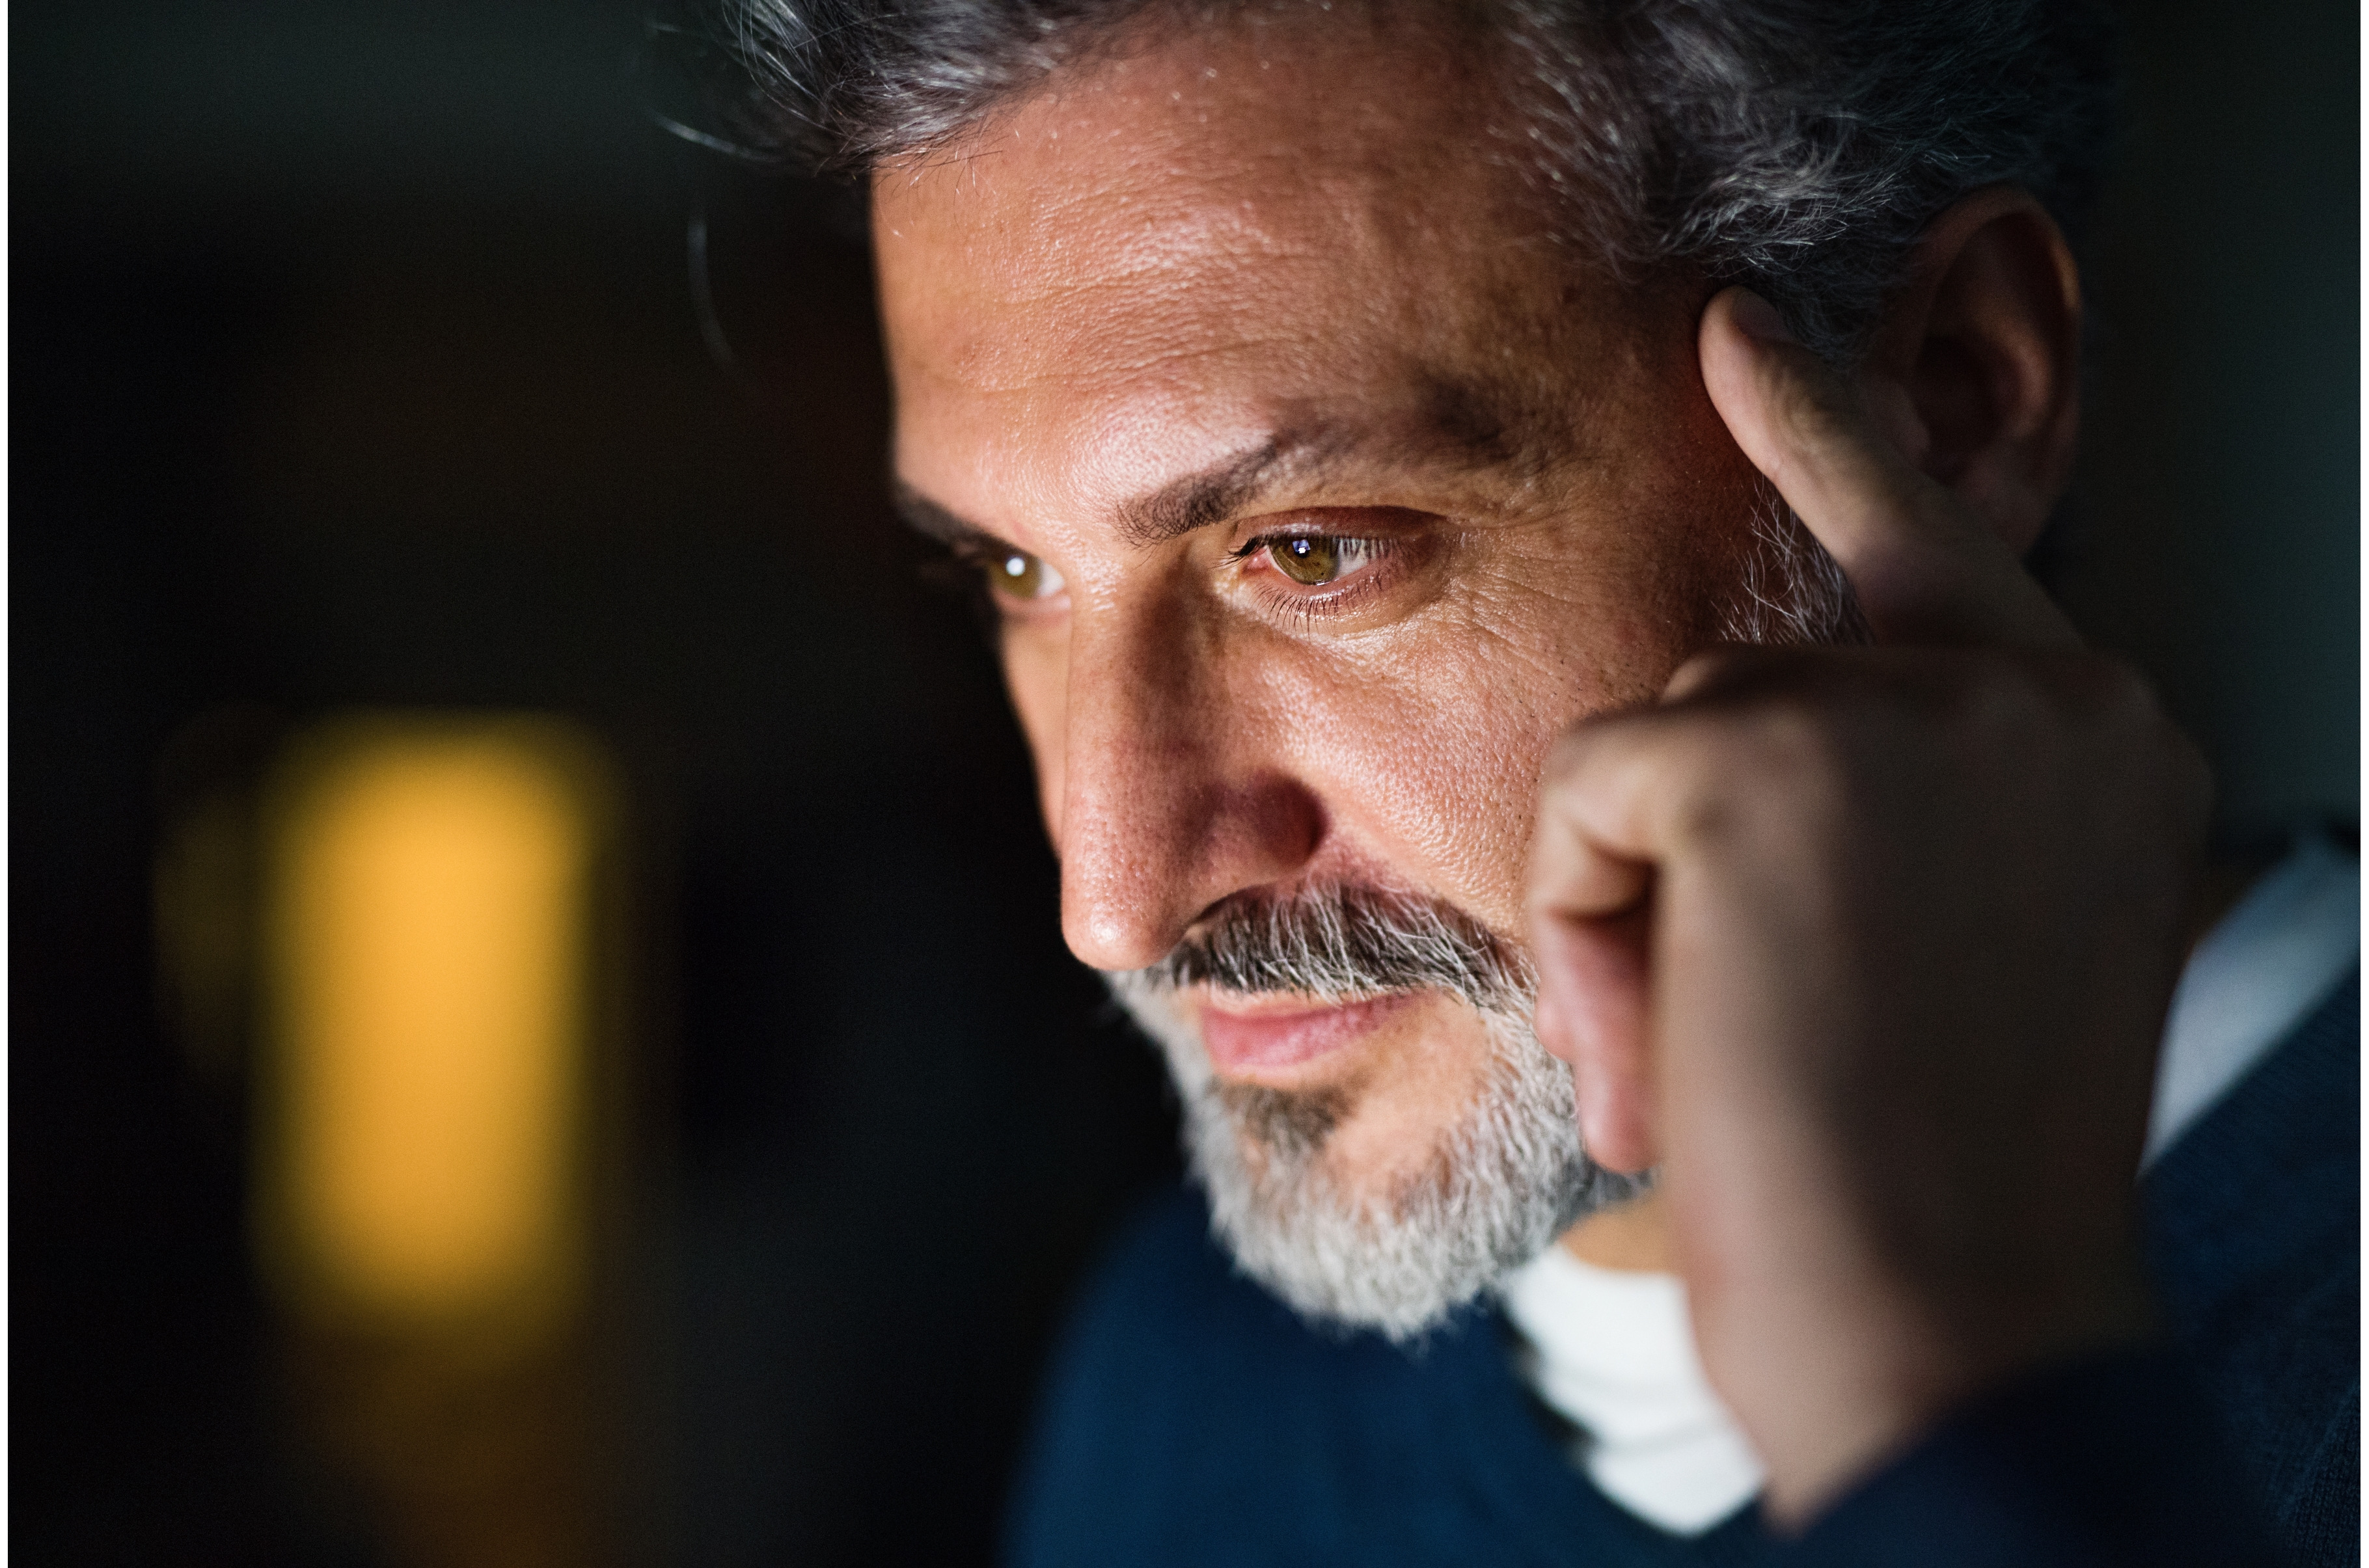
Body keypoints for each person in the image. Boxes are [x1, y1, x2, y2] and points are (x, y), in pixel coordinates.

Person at [699, 1, 2358, 1560]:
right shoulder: (1182, 1379)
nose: (1114, 896)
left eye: (1311, 549)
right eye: (1013, 573)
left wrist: (1949, 1386)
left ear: (1953, 398)